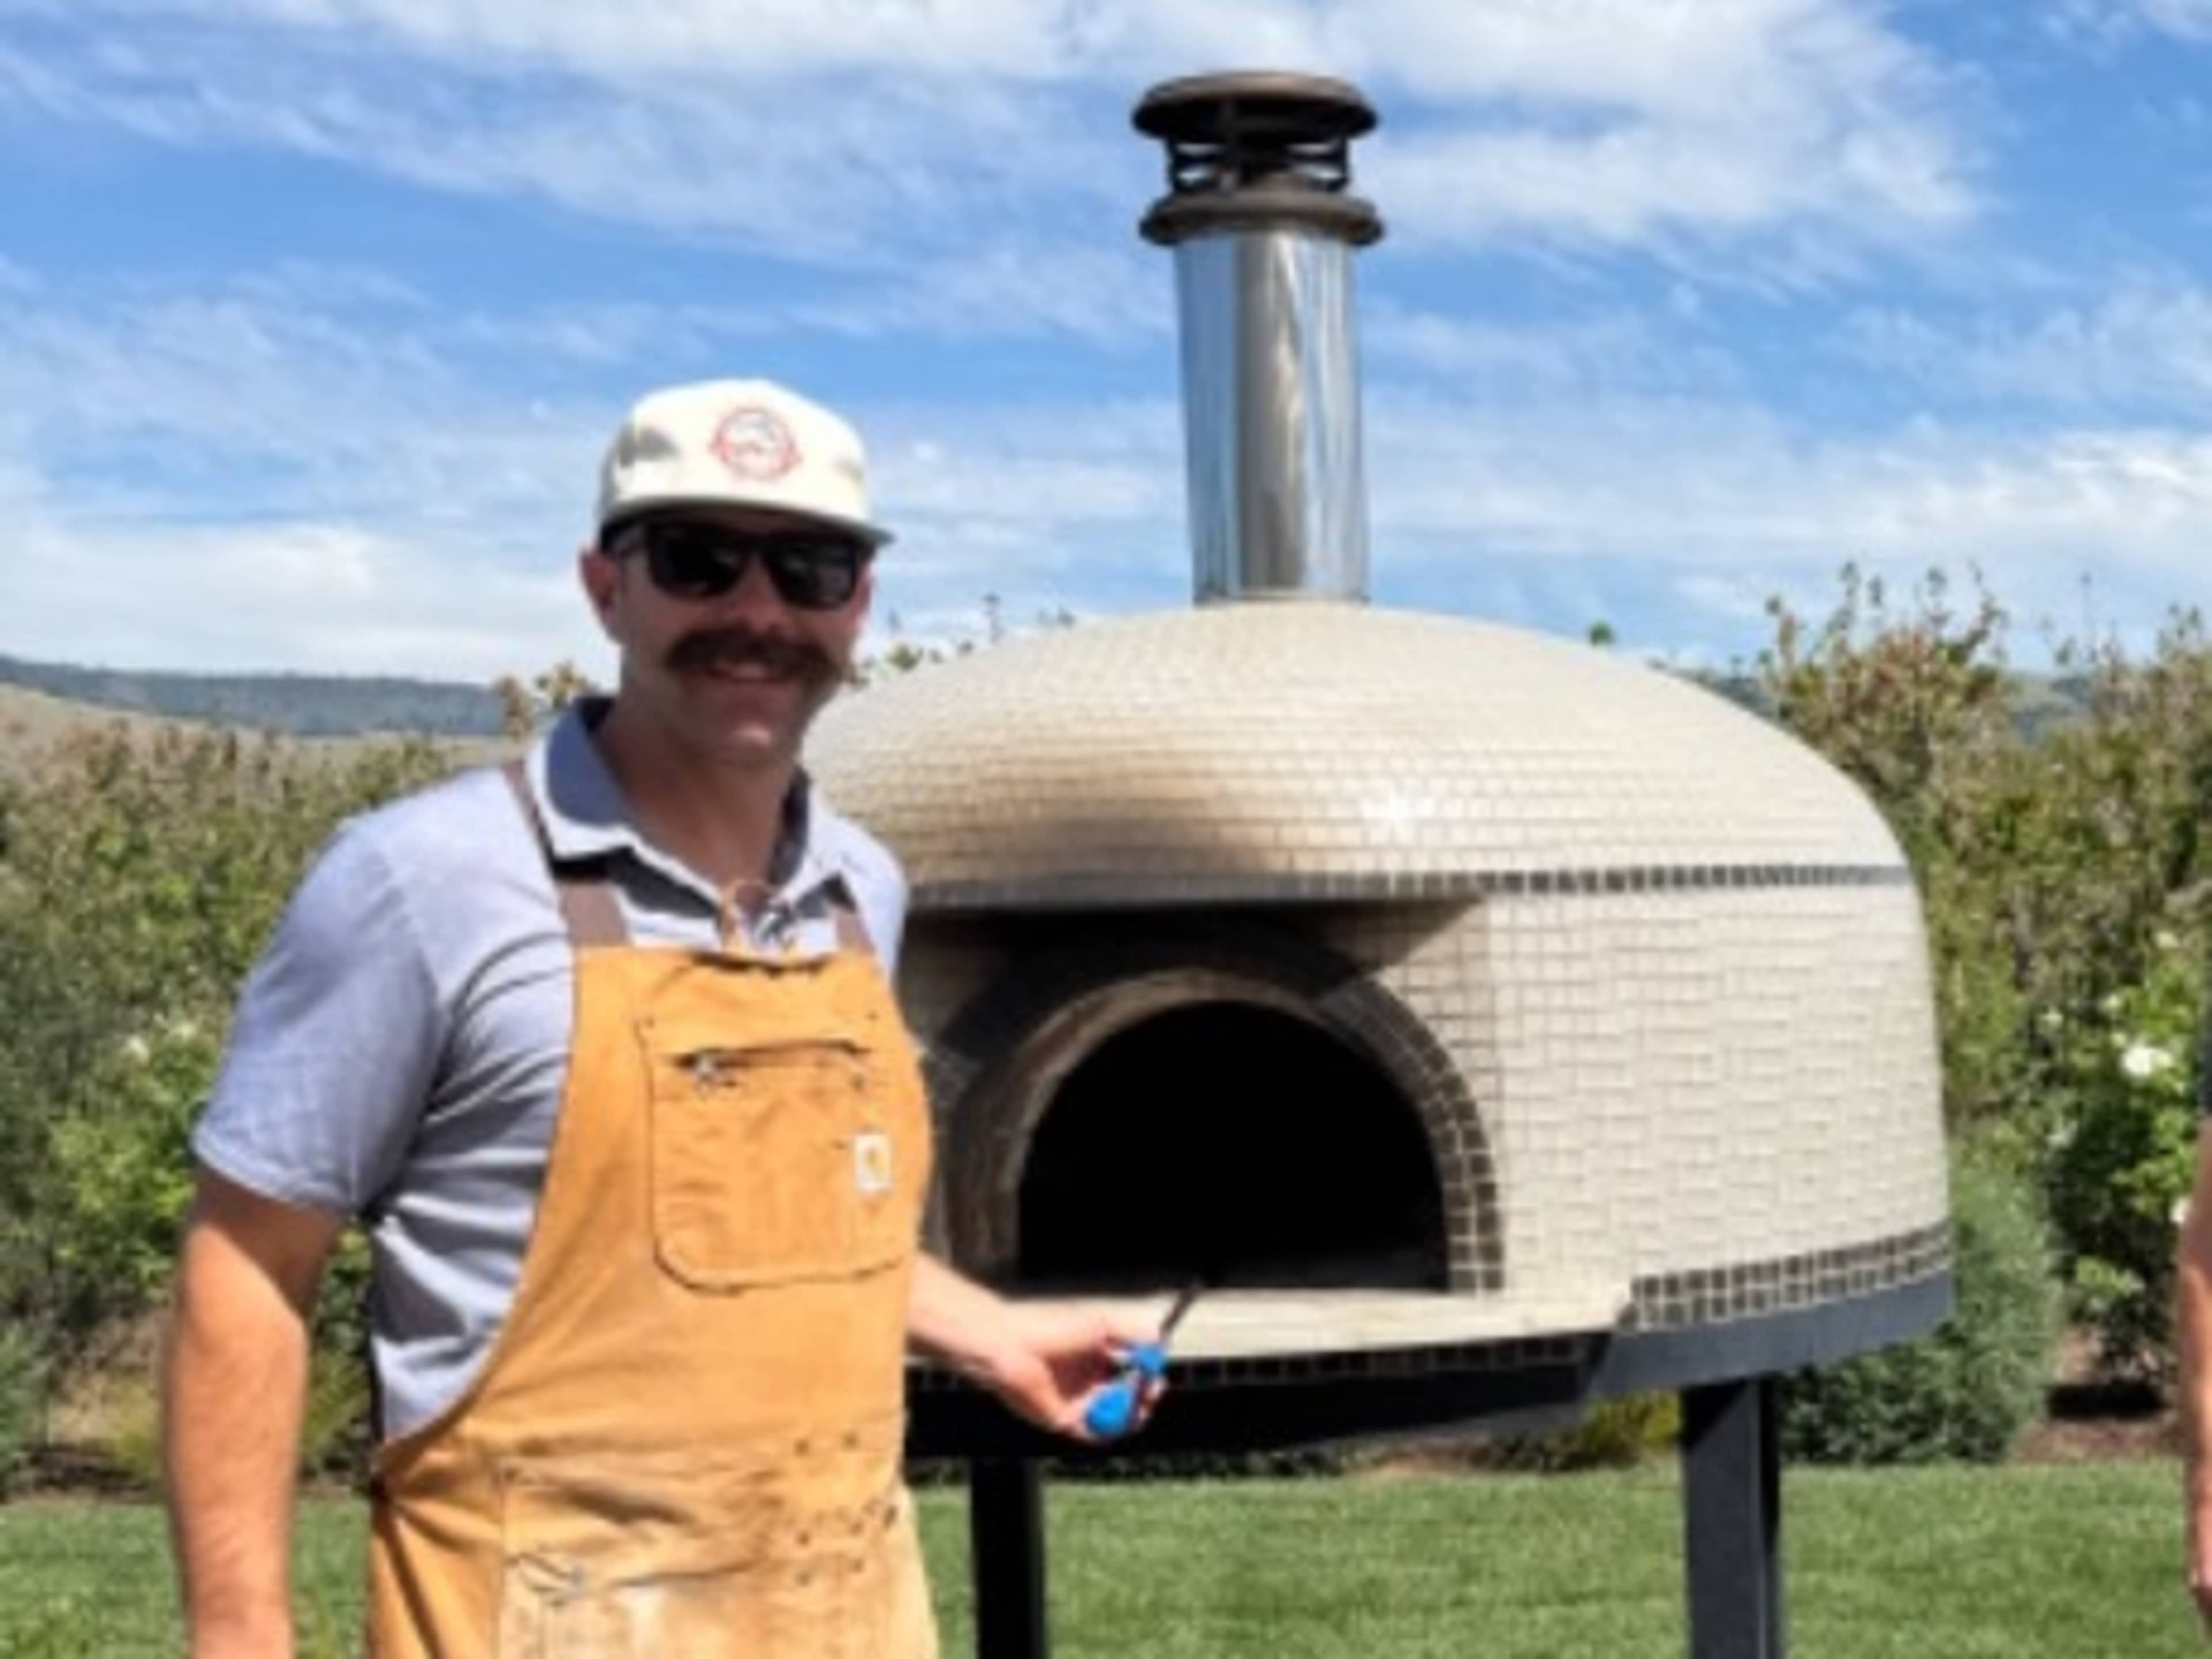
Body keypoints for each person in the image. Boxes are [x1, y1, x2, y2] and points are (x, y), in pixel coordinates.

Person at [160, 378, 1161, 1657]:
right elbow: (246, 1261)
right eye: (699, 559)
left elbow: (780, 1217)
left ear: (859, 605)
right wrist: (239, 1634)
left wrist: (991, 1335)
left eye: (809, 566)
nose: (757, 612)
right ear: (605, 587)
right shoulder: (420, 882)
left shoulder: (864, 890)